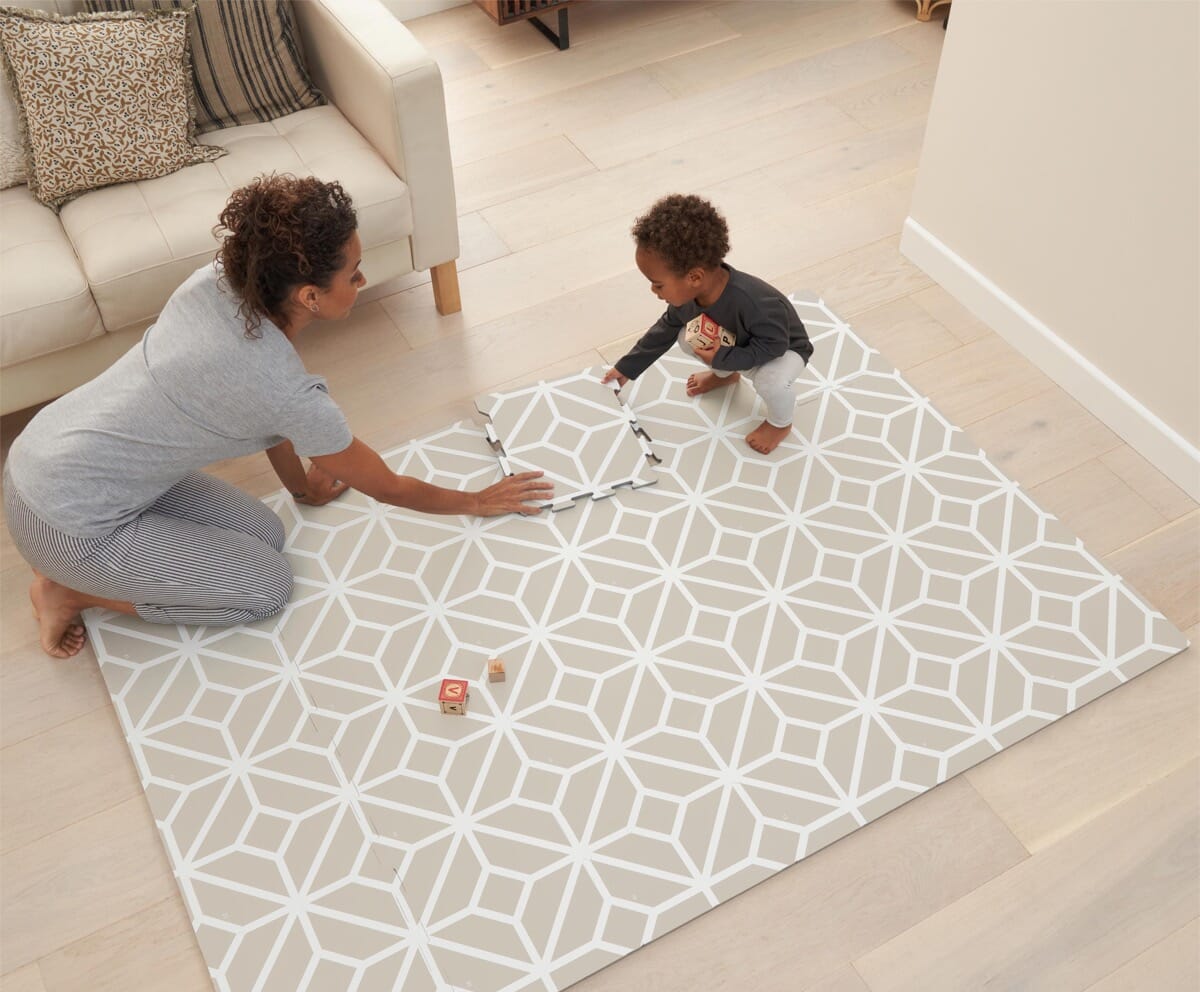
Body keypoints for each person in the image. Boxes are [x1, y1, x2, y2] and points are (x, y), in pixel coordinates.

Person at [3, 174, 553, 659]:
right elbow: (387, 487)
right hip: (64, 524)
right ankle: (66, 591)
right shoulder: (285, 389)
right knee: (263, 588)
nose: (362, 281)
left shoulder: (224, 277)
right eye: (355, 274)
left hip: (47, 453)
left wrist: (302, 489)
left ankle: (93, 569)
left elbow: (262, 411)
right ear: (311, 295)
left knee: (264, 530)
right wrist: (477, 501)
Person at [602, 193, 814, 455]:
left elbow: (775, 345)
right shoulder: (689, 298)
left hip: (783, 350)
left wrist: (725, 356)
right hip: (738, 344)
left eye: (658, 284)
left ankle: (780, 423)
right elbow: (663, 332)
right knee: (686, 336)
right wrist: (626, 369)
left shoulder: (754, 302)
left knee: (770, 382)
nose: (653, 290)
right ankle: (726, 375)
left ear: (694, 276)